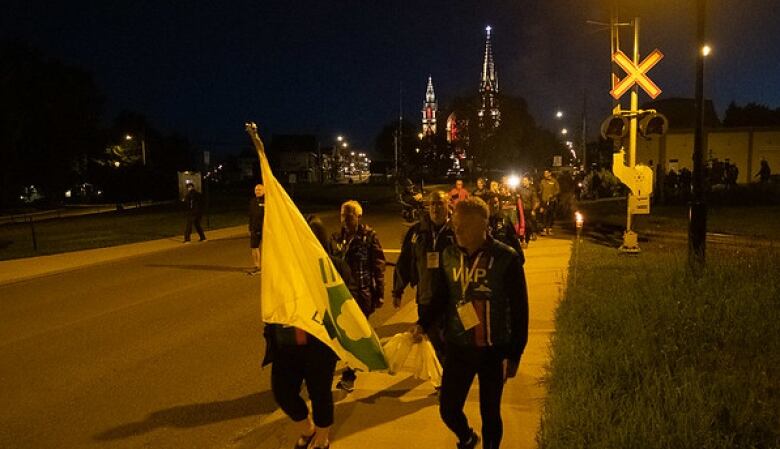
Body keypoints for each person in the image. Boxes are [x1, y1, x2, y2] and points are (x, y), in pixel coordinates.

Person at [417, 197, 529, 449]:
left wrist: (515, 354)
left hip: (494, 348)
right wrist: (422, 324)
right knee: (448, 408)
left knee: (490, 411)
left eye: (462, 226)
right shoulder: (449, 255)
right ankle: (467, 437)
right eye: (454, 225)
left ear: (481, 226)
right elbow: (441, 295)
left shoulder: (506, 258)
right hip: (459, 346)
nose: (456, 231)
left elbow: (521, 311)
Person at [263, 215, 350, 449]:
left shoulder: (335, 268)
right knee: (282, 392)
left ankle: (322, 437)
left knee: (320, 392)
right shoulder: (285, 269)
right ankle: (308, 428)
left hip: (319, 345)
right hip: (287, 343)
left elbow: (348, 305)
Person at [392, 190, 456, 360]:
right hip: (426, 296)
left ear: (448, 205)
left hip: (452, 298)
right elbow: (405, 260)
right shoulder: (417, 232)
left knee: (451, 341)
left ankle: (447, 377)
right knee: (435, 340)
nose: (436, 208)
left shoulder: (456, 230)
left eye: (440, 203)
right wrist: (397, 290)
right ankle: (445, 377)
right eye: (432, 204)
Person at [330, 200, 386, 392]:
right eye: (342, 215)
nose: (345, 219)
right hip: (342, 295)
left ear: (358, 216)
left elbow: (378, 265)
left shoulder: (368, 236)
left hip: (362, 294)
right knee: (342, 336)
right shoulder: (337, 238)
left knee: (355, 336)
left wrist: (380, 293)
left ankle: (349, 376)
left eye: (349, 215)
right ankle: (347, 366)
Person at [247, 184, 265, 275]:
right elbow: (251, 216)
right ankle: (257, 266)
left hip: (265, 229)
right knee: (254, 247)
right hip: (255, 228)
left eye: (259, 190)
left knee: (267, 249)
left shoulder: (268, 201)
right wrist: (250, 228)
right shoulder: (253, 201)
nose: (257, 191)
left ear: (264, 191)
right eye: (256, 190)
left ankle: (268, 265)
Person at [517, 176, 539, 248]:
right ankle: (522, 240)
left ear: (529, 181)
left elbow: (535, 200)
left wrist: (533, 209)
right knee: (521, 226)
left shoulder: (532, 190)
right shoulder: (519, 189)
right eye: (523, 180)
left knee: (528, 226)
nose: (524, 182)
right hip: (521, 210)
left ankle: (526, 241)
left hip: (529, 210)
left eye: (525, 180)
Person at [538, 170, 560, 236]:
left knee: (551, 215)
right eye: (544, 173)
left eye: (547, 173)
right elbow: (540, 190)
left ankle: (550, 229)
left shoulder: (554, 181)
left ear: (550, 173)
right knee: (544, 214)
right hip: (544, 201)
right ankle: (544, 229)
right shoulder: (542, 181)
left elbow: (558, 190)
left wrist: (553, 194)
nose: (545, 174)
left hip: (552, 201)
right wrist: (539, 192)